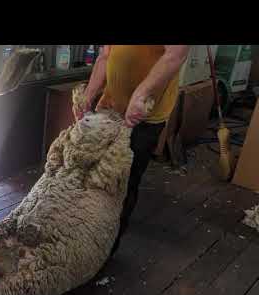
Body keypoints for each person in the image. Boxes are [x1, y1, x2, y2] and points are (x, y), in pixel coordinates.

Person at [74, 45, 190, 255]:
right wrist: (88, 95)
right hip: (110, 106)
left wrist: (141, 93)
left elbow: (176, 55)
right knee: (93, 174)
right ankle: (82, 231)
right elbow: (105, 54)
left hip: (143, 114)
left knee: (122, 182)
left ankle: (104, 248)